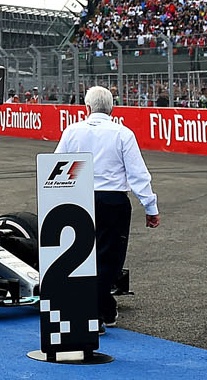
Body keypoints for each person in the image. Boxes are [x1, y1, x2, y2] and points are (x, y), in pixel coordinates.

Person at [54, 87, 159, 328]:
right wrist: (150, 206)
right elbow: (138, 174)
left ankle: (103, 310)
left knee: (80, 256)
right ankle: (96, 314)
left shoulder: (72, 131)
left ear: (86, 108)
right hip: (112, 200)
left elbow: (57, 166)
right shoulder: (123, 133)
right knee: (108, 259)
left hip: (78, 198)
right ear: (112, 109)